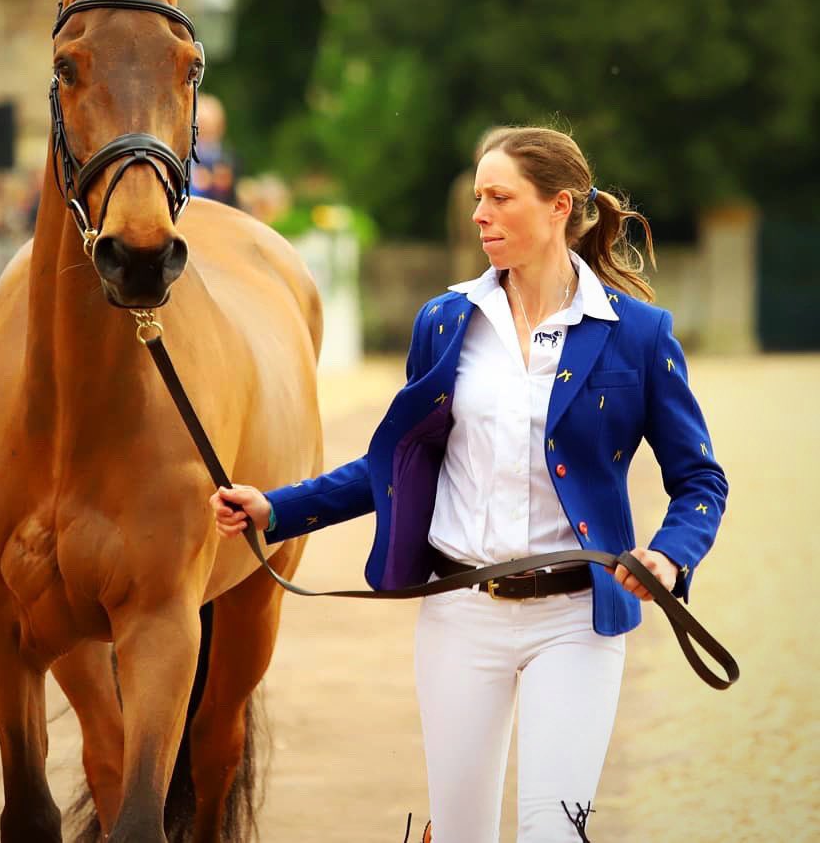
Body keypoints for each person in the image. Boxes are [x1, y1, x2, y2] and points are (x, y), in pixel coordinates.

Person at [211, 126, 727, 843]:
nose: (479, 213)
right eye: (477, 196)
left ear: (558, 206)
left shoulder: (637, 333)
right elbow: (395, 464)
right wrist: (277, 506)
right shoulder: (446, 321)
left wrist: (671, 553)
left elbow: (700, 478)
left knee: (555, 832)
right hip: (459, 616)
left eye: (500, 197)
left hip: (577, 619)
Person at [189, 93, 237, 204]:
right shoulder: (184, 155)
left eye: (206, 125)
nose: (202, 130)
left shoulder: (227, 159)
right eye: (198, 123)